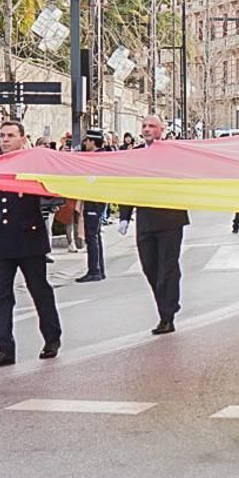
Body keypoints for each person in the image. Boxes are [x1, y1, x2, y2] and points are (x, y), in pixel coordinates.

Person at [0, 121, 63, 368]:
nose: (5, 140)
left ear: (23, 138)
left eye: (10, 135)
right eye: (2, 136)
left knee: (39, 290)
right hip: (2, 240)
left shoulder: (33, 166)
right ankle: (4, 348)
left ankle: (52, 338)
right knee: (1, 295)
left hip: (29, 239)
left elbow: (53, 194)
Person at [119, 115, 189, 334]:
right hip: (146, 221)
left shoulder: (173, 153)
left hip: (170, 219)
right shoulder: (136, 154)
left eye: (152, 126)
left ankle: (167, 315)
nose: (147, 129)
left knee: (167, 268)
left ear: (161, 129)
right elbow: (128, 185)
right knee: (149, 268)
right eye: (144, 126)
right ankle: (167, 305)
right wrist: (124, 216)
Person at [76, 131, 108, 283]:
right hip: (96, 199)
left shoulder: (98, 159)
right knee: (95, 235)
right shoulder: (101, 156)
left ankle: (94, 270)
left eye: (87, 141)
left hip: (94, 199)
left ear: (92, 141)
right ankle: (99, 269)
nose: (84, 143)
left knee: (92, 236)